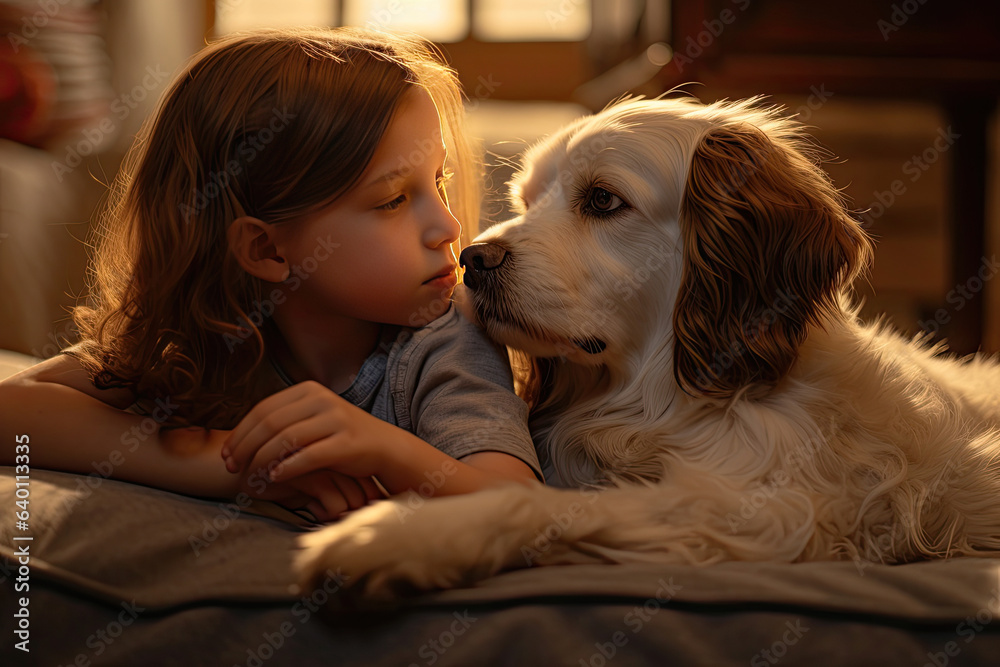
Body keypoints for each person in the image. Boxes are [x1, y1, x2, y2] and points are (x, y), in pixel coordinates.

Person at [0, 27, 541, 521]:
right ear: (265, 249)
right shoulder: (200, 341)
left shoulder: (448, 342)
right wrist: (228, 465)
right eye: (393, 200)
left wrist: (380, 446)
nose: (449, 227)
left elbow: (521, 507)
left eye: (439, 182)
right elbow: (12, 410)